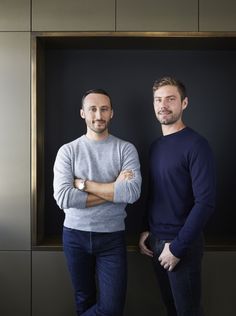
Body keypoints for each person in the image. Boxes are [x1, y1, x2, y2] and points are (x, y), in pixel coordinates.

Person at [53, 89, 142, 316]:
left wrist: (85, 185)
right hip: (75, 235)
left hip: (112, 237)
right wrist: (114, 188)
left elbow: (131, 193)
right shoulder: (68, 151)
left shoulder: (125, 149)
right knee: (84, 299)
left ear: (112, 113)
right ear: (83, 113)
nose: (98, 115)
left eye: (104, 109)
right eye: (92, 109)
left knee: (112, 309)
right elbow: (63, 197)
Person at [139, 76, 216, 316]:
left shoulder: (197, 145)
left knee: (188, 312)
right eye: (158, 100)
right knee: (171, 309)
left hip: (183, 244)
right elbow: (156, 192)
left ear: (184, 103)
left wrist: (178, 248)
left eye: (170, 99)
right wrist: (145, 230)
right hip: (156, 242)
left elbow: (206, 202)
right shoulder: (156, 146)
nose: (163, 105)